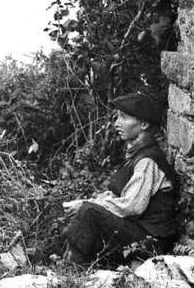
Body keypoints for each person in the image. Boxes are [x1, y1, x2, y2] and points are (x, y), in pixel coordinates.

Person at [61, 92, 179, 265]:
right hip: (140, 232)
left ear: (144, 124)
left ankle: (70, 271)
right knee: (87, 211)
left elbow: (132, 207)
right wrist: (89, 202)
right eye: (117, 117)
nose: (117, 124)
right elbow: (121, 198)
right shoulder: (137, 155)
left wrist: (88, 205)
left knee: (89, 212)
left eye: (124, 117)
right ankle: (72, 265)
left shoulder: (147, 161)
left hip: (152, 242)